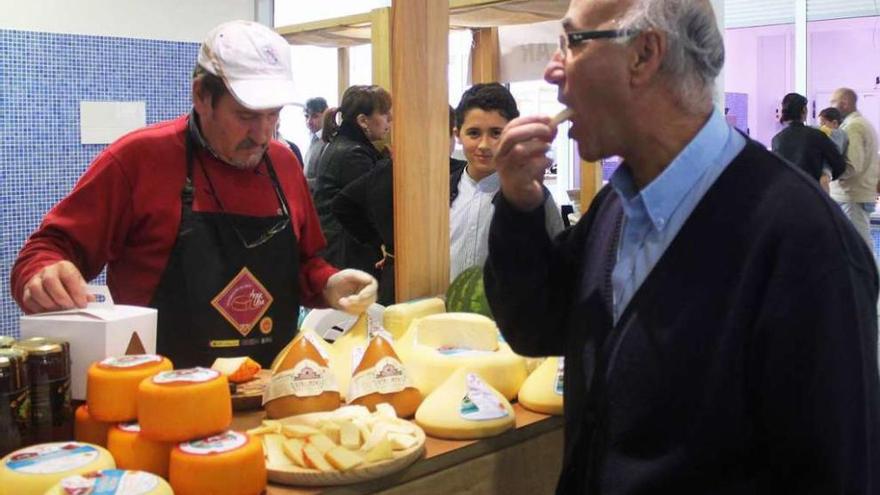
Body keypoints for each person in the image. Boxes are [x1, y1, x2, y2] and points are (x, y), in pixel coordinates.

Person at [485, 0, 880, 493]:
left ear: (644, 54)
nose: (552, 70)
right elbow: (537, 325)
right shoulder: (618, 205)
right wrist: (520, 207)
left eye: (572, 42)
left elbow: (836, 473)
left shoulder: (804, 242)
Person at [10, 20, 377, 369]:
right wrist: (44, 273)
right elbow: (43, 252)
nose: (263, 134)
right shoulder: (137, 159)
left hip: (271, 397)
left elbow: (305, 264)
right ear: (201, 94)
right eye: (247, 115)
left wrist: (329, 284)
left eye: (274, 115)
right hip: (158, 399)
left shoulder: (282, 163)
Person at [449, 83, 564, 281]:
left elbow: (558, 265)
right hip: (445, 310)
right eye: (474, 133)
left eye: (496, 133)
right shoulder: (441, 192)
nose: (484, 145)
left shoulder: (534, 197)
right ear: (457, 134)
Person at [313, 85, 391, 277]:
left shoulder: (345, 145)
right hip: (346, 253)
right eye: (384, 114)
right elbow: (374, 205)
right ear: (363, 121)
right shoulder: (353, 154)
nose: (390, 120)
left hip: (341, 249)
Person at [830, 87, 880, 248]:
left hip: (851, 197)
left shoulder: (854, 127)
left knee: (859, 248)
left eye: (833, 101)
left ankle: (869, 274)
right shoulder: (863, 124)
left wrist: (826, 174)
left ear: (844, 104)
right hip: (857, 195)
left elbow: (851, 166)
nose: (831, 106)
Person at [770, 92, 845, 189]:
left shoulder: (776, 139)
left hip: (786, 194)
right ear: (804, 110)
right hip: (812, 193)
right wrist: (827, 175)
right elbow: (838, 164)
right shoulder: (817, 135)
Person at [303, 97, 329, 191]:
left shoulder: (328, 140)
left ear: (325, 114)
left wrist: (301, 183)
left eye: (315, 116)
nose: (309, 121)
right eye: (306, 116)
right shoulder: (314, 139)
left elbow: (326, 180)